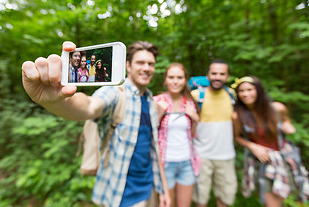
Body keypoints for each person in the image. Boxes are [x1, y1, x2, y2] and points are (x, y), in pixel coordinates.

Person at [21, 41, 170, 207]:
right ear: (128, 66)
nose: (146, 68)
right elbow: (89, 106)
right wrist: (55, 101)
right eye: (140, 63)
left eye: (151, 64)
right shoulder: (114, 92)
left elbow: (154, 150)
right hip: (121, 195)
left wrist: (163, 189)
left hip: (150, 190)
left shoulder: (150, 101)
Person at [231, 76, 298, 207]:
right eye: (241, 91)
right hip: (262, 161)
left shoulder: (277, 108)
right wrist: (253, 146)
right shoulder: (237, 115)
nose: (245, 94)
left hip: (283, 160)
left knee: (278, 201)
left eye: (250, 89)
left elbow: (286, 120)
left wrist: (288, 126)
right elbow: (237, 137)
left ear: (258, 90)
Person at [191, 59, 237, 207]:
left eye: (222, 74)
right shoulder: (196, 95)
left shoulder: (232, 95)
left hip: (226, 156)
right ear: (208, 75)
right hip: (201, 156)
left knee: (225, 198)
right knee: (200, 199)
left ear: (227, 76)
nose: (218, 77)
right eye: (214, 73)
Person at [153, 63, 201, 207]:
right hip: (164, 164)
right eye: (171, 77)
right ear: (165, 80)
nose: (175, 81)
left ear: (185, 80)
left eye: (179, 78)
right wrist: (159, 114)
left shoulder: (189, 103)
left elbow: (191, 135)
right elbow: (148, 135)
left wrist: (195, 120)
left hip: (187, 162)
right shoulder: (157, 101)